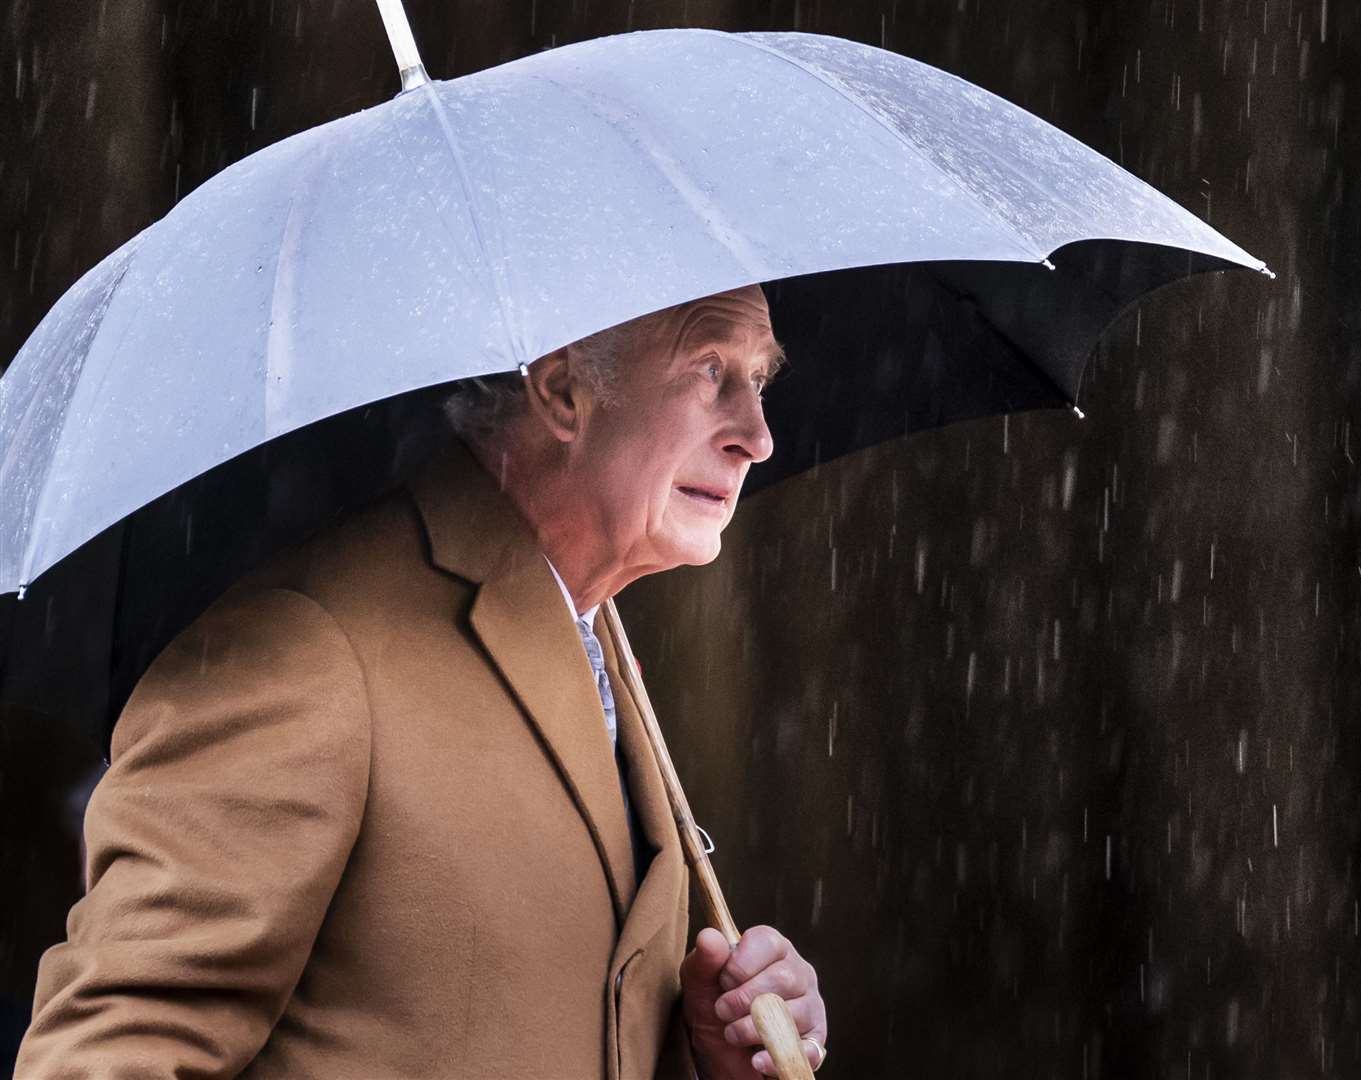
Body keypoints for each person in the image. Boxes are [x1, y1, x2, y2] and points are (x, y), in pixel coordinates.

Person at [16, 284, 828, 1078]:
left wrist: (710, 1054)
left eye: (757, 380)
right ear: (561, 390)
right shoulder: (306, 647)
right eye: (709, 372)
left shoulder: (595, 636)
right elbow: (107, 1053)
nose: (756, 435)